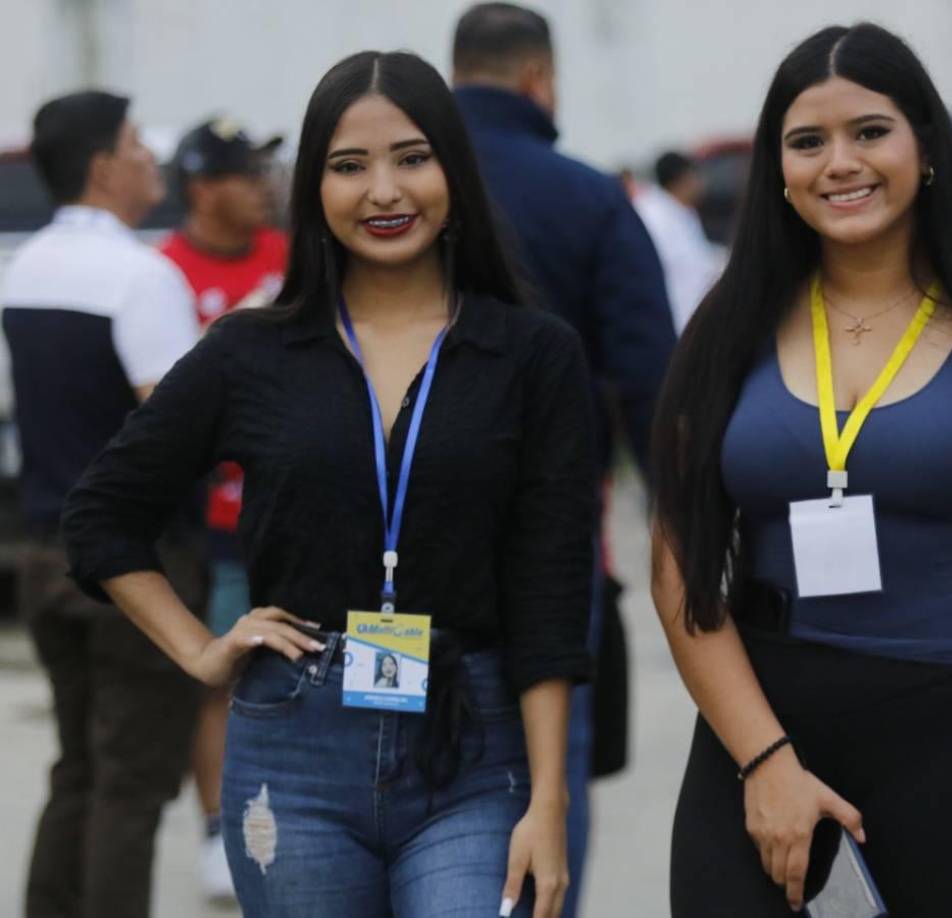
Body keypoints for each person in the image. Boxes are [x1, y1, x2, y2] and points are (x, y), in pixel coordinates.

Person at [61, 51, 594, 918]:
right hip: (292, 757)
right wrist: (201, 649)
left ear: (454, 170)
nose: (384, 190)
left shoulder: (533, 354)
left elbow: (552, 591)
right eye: (350, 167)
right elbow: (102, 517)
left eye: (412, 158)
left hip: (472, 749)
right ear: (313, 186)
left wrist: (551, 799)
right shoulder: (253, 352)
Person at [651, 23, 952, 918]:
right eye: (808, 141)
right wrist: (767, 763)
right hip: (763, 735)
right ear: (778, 168)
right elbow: (679, 571)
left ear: (926, 146)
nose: (839, 163)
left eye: (870, 132)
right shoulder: (722, 329)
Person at [452, 8, 676, 913]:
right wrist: (680, 522)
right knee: (553, 759)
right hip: (550, 528)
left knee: (402, 747)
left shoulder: (390, 191)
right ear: (539, 78)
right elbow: (650, 371)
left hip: (393, 530)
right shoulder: (587, 198)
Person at [0, 90, 205, 918]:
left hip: (43, 552)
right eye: (135, 144)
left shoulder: (26, 268)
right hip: (135, 569)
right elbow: (176, 427)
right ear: (101, 164)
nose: (150, 159)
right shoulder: (141, 275)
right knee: (132, 783)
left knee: (78, 766)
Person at [159, 115, 288, 903]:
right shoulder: (164, 272)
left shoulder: (287, 259)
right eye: (247, 176)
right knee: (221, 679)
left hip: (296, 510)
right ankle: (217, 829)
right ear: (205, 188)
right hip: (214, 527)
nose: (263, 189)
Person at [634, 151, 725, 332]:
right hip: (674, 323)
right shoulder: (653, 217)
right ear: (684, 178)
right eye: (697, 175)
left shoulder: (681, 210)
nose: (702, 182)